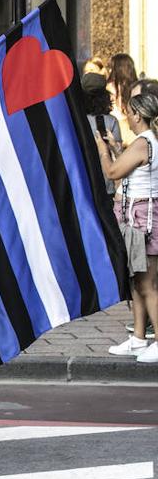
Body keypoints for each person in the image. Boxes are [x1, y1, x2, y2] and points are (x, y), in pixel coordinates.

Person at [97, 91, 158, 363]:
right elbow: (134, 168)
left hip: (142, 219)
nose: (127, 118)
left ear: (139, 115)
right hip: (137, 217)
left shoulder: (143, 143)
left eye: (130, 113)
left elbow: (112, 173)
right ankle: (138, 339)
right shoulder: (144, 143)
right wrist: (117, 149)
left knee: (147, 284)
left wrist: (102, 151)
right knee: (136, 280)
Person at [83, 72, 122, 201]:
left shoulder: (78, 121)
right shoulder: (111, 121)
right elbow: (118, 153)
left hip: (85, 182)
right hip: (107, 183)